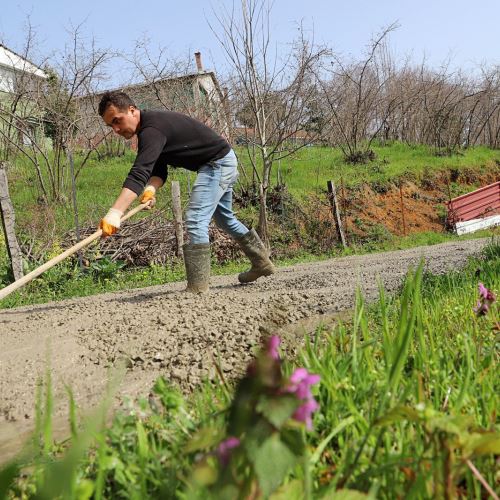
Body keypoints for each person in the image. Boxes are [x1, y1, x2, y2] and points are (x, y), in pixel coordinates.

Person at [98, 91, 275, 292]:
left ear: (131, 110)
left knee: (195, 218)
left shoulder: (152, 129)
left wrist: (115, 213)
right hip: (223, 160)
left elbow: (138, 173)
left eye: (117, 120)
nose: (116, 129)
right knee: (224, 219)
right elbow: (157, 170)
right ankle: (261, 263)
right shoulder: (150, 131)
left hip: (216, 163)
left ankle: (198, 287)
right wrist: (150, 190)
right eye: (110, 125)